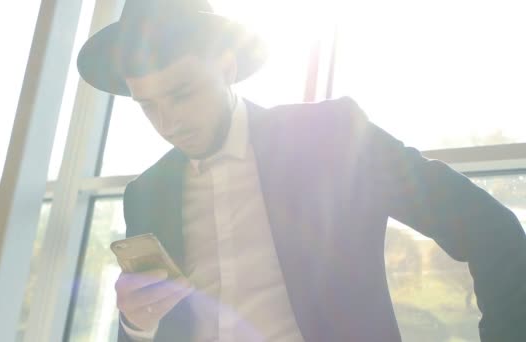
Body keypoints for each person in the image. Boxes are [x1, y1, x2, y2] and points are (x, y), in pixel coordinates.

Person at [77, 0, 526, 341]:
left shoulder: (330, 138)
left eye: (182, 93)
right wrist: (134, 325)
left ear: (227, 67)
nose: (168, 123)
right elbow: (157, 323)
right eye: (147, 105)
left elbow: (492, 230)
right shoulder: (147, 193)